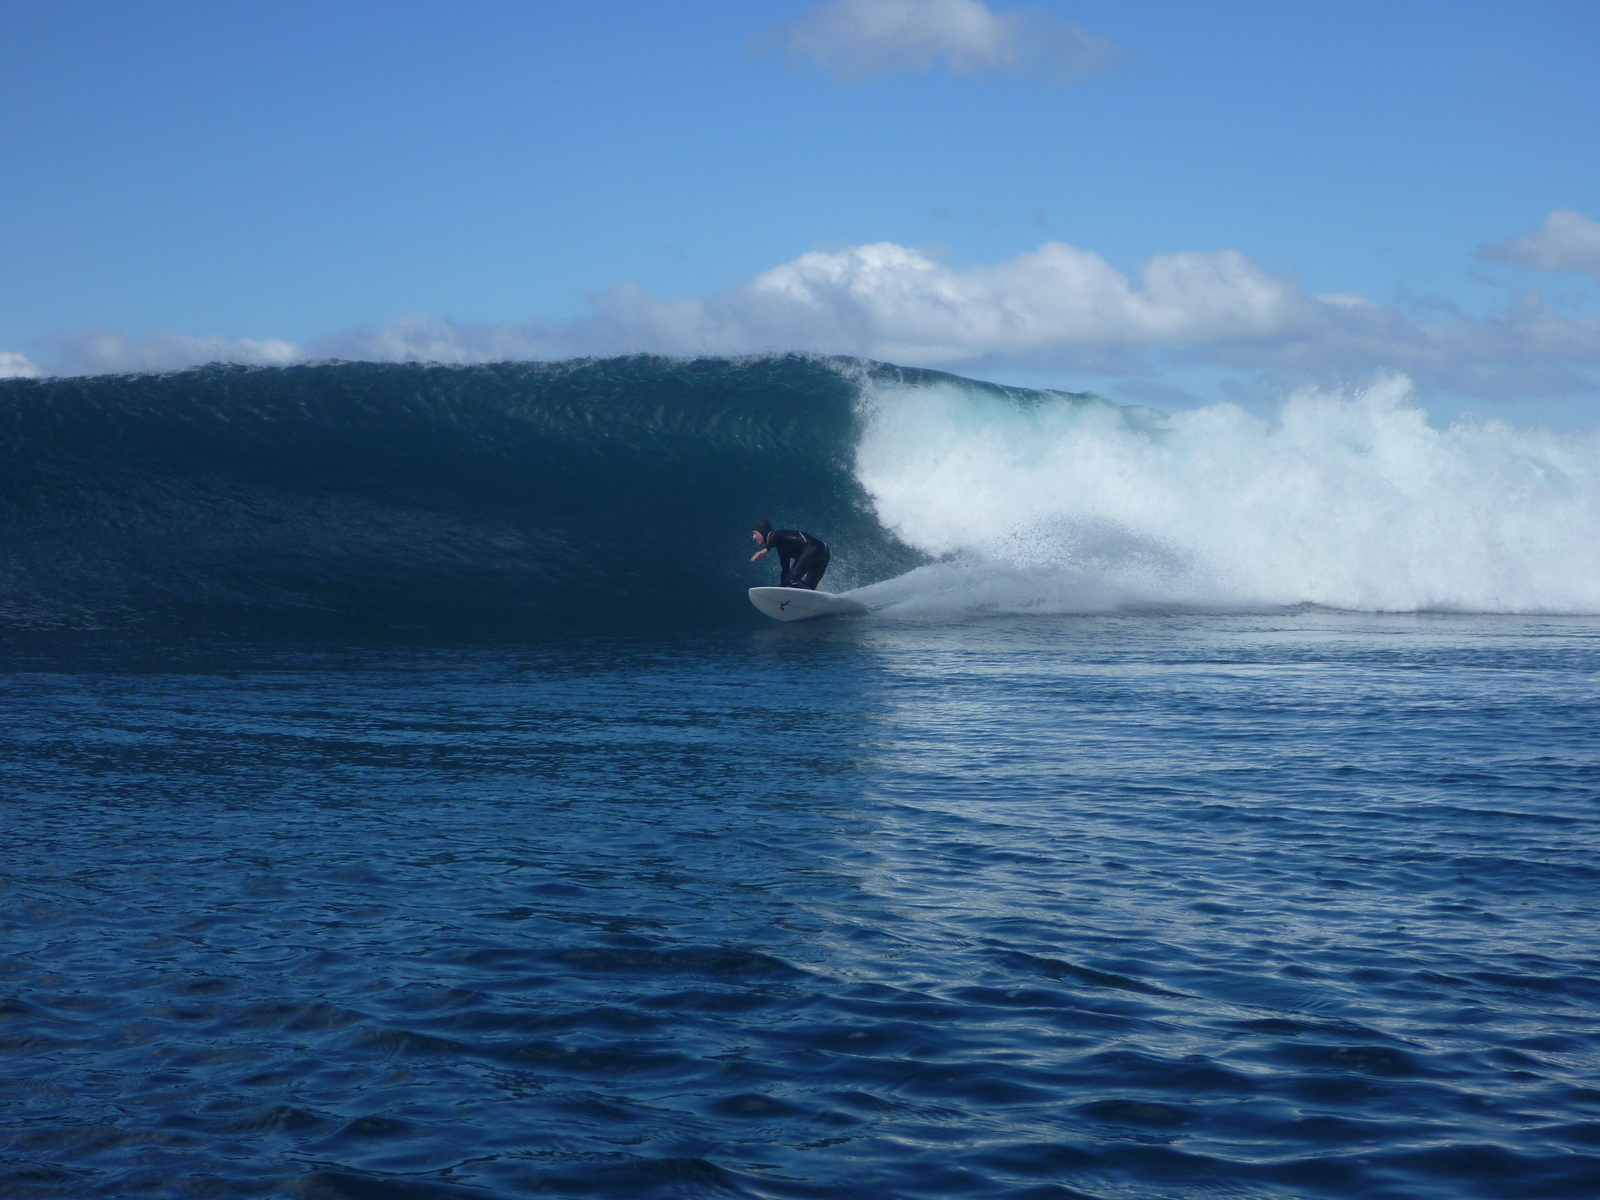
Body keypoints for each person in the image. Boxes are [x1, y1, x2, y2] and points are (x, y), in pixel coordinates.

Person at [750, 519, 830, 590]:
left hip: (813, 548)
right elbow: (785, 571)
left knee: (791, 580)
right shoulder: (782, 548)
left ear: (762, 532)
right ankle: (819, 602)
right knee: (808, 588)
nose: (754, 537)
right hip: (824, 551)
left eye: (755, 533)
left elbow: (776, 535)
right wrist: (782, 590)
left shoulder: (778, 534)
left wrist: (766, 549)